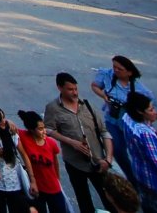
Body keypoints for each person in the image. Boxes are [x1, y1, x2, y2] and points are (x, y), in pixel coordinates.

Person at [45, 72, 113, 213]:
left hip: (98, 161)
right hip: (75, 163)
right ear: (60, 88)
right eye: (70, 89)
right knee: (84, 200)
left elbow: (104, 132)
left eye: (76, 89)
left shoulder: (86, 105)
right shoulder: (53, 108)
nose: (75, 93)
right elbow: (49, 129)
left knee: (110, 198)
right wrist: (71, 142)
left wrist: (108, 159)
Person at [91, 55, 153, 184]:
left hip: (130, 124)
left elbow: (152, 110)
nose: (116, 70)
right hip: (112, 120)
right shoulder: (107, 75)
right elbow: (95, 86)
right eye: (114, 67)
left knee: (139, 152)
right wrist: (103, 95)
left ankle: (146, 178)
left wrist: (149, 120)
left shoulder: (140, 90)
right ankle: (132, 180)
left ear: (130, 72)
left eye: (120, 69)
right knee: (118, 151)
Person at [0, 102, 36, 213]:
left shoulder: (11, 133)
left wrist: (32, 180)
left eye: (4, 117)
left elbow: (24, 156)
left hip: (14, 184)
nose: (3, 121)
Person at [17, 110, 67, 213]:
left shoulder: (51, 143)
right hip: (37, 189)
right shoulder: (25, 137)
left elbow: (55, 163)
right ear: (31, 130)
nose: (44, 131)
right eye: (40, 129)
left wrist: (57, 179)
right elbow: (10, 127)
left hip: (53, 187)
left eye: (43, 127)